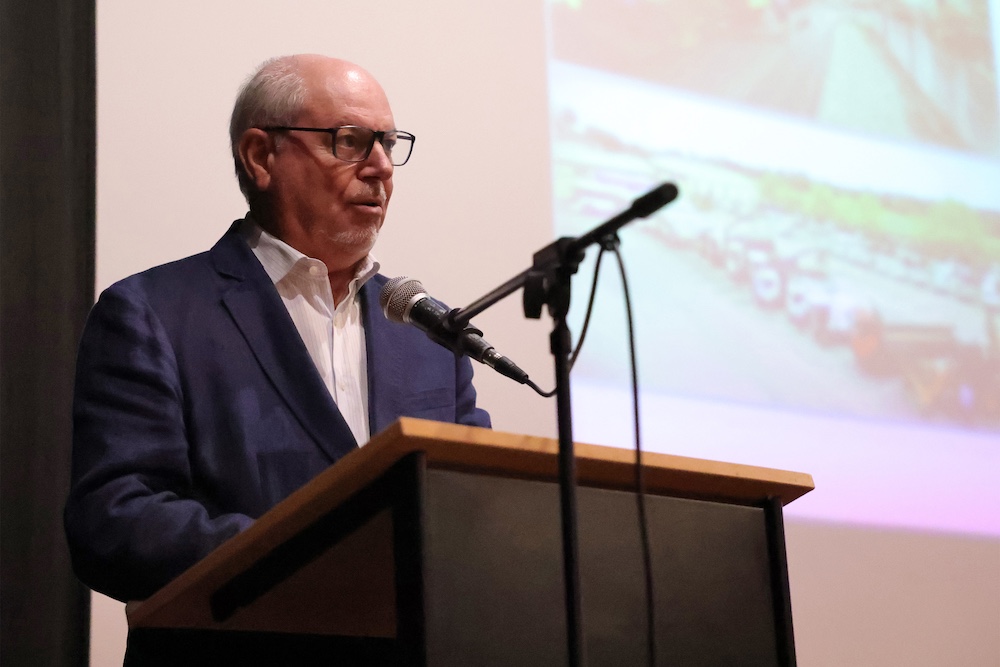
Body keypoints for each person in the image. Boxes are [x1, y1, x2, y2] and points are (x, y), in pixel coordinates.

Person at [64, 54, 491, 603]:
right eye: (350, 141)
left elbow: (473, 509)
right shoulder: (153, 314)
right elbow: (114, 521)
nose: (382, 166)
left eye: (388, 142)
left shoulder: (430, 336)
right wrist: (310, 559)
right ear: (261, 156)